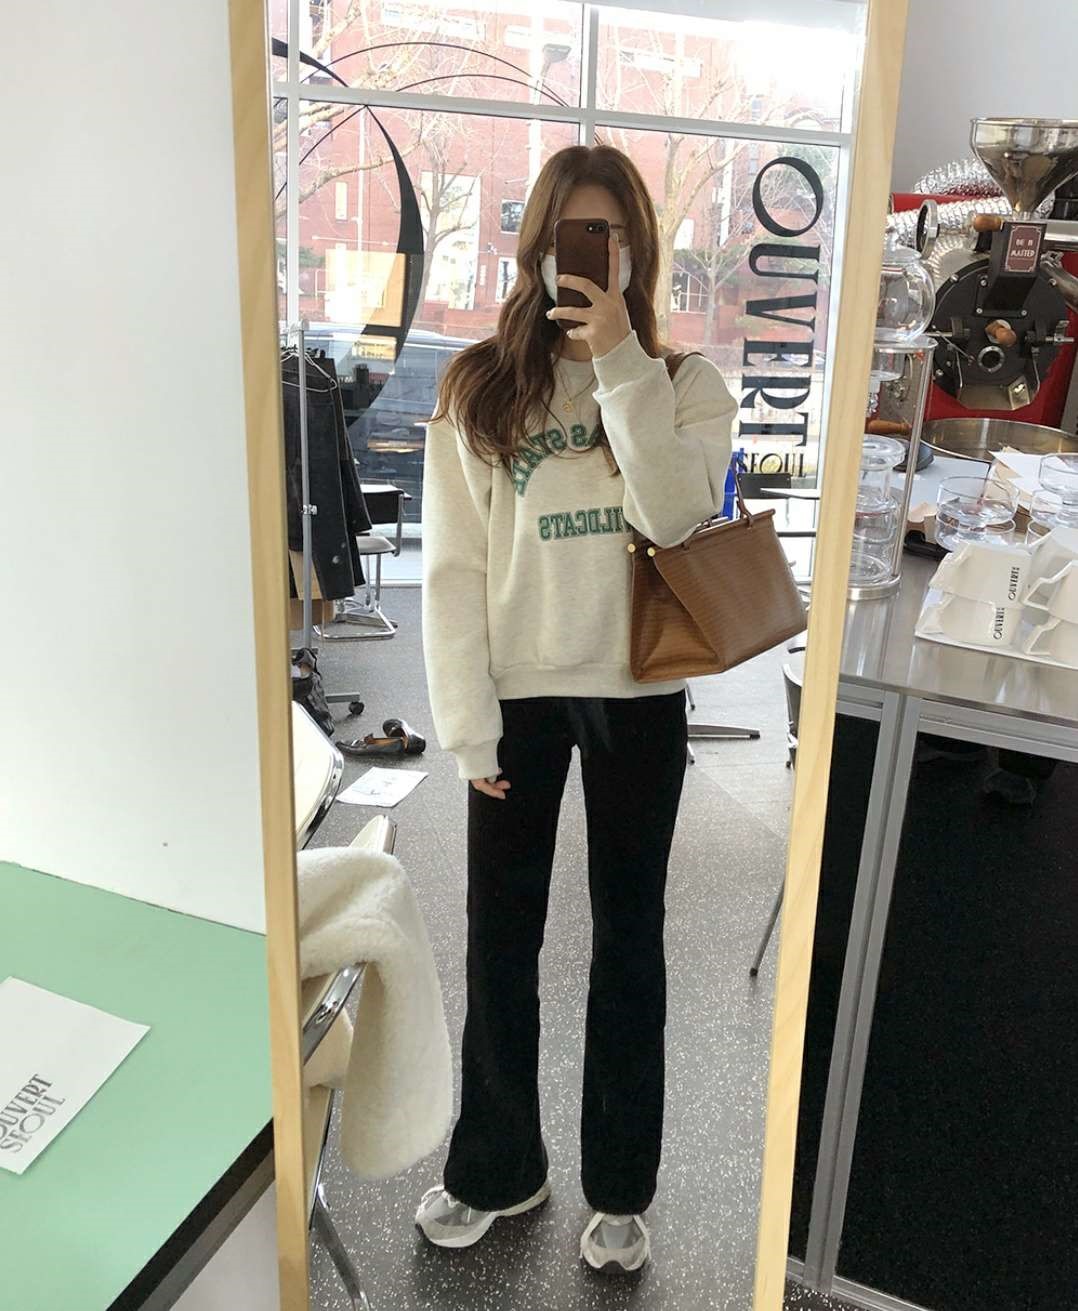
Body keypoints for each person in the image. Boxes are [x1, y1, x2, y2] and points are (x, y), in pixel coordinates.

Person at [416, 143, 736, 1273]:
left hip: (639, 693)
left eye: (610, 238)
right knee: (500, 938)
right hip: (517, 697)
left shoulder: (684, 384)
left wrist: (618, 365)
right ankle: (497, 1165)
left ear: (637, 251)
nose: (590, 258)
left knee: (629, 940)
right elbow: (452, 570)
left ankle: (620, 1187)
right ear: (538, 249)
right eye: (571, 237)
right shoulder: (477, 387)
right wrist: (465, 722)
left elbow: (677, 516)